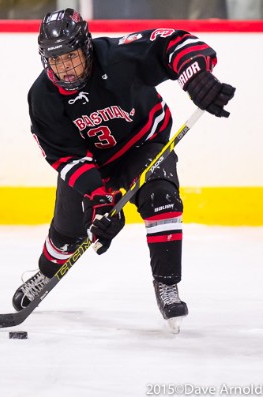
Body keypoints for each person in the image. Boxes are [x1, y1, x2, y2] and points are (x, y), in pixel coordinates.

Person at [12, 8, 235, 326]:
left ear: (86, 47)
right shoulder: (43, 96)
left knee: (162, 196)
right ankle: (45, 275)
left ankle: (167, 284)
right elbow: (66, 156)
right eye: (56, 60)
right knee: (66, 235)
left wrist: (196, 76)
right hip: (93, 166)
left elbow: (172, 43)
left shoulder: (117, 56)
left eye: (71, 57)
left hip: (143, 145)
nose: (65, 68)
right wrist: (100, 201)